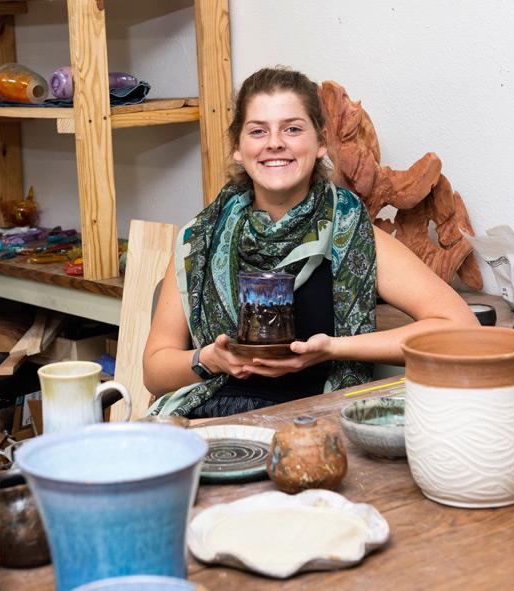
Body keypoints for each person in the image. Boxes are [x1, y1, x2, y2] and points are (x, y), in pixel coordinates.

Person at [143, 66, 478, 418]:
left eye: (292, 128)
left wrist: (333, 349)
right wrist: (210, 359)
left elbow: (460, 328)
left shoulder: (352, 234)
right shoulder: (199, 239)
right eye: (258, 131)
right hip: (211, 422)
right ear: (238, 149)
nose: (275, 142)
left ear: (320, 143)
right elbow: (155, 371)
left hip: (314, 426)